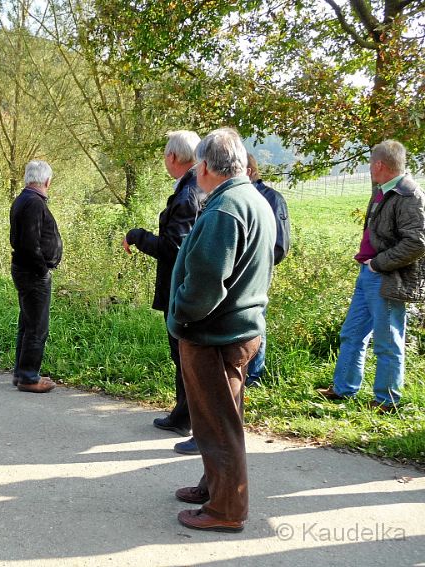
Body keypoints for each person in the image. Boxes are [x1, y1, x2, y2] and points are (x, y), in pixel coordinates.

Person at [167, 128, 275, 532]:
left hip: (214, 334)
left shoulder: (225, 208)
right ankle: (214, 486)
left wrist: (183, 316)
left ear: (208, 166)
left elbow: (208, 279)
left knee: (217, 423)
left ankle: (226, 508)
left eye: (197, 165)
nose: (195, 172)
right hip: (236, 330)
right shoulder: (253, 199)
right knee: (221, 417)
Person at [317, 140, 425, 412]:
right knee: (352, 333)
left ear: (378, 165)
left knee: (387, 341)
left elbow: (418, 242)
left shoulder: (409, 195)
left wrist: (379, 264)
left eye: (370, 164)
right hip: (368, 274)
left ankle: (387, 401)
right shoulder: (383, 189)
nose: (369, 169)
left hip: (386, 277)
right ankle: (344, 390)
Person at [123, 130, 205, 455]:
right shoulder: (193, 187)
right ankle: (181, 416)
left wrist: (138, 236)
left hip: (182, 288)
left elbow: (173, 247)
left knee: (187, 357)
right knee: (181, 355)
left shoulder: (188, 194)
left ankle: (195, 424)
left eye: (164, 156)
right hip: (184, 286)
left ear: (173, 157)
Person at [10, 160, 63, 393]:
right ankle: (29, 377)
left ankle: (21, 372)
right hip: (33, 272)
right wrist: (43, 269)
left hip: (25, 269)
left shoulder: (25, 199)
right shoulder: (33, 203)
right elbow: (30, 244)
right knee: (37, 326)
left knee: (28, 322)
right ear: (47, 181)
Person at [244, 153, 291, 387]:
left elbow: (280, 245)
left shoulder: (273, 199)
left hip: (257, 272)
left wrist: (257, 265)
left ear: (249, 172)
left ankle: (254, 375)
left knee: (255, 320)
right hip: (237, 273)